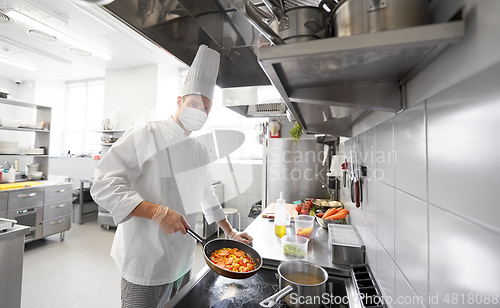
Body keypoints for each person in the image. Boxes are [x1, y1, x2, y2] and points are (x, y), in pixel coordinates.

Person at [91, 45, 253, 308]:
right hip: (145, 260)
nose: (199, 112)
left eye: (206, 110)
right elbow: (104, 184)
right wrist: (158, 212)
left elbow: (206, 195)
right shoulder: (147, 133)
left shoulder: (200, 150)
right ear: (179, 102)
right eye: (193, 104)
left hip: (182, 259)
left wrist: (231, 232)